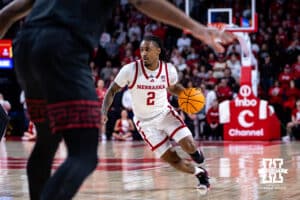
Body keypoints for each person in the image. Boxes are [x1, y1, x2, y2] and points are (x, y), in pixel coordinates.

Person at [0, 0, 235, 199]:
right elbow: (143, 2)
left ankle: (198, 165)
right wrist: (198, 29)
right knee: (83, 155)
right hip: (63, 46)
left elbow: (9, 13)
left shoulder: (166, 70)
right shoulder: (129, 70)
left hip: (24, 47)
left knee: (46, 142)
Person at [102, 35, 210, 190]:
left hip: (165, 114)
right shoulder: (130, 70)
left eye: (148, 49)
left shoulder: (168, 69)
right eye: (142, 50)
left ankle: (195, 152)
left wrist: (186, 94)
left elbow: (172, 87)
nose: (144, 53)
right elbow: (112, 91)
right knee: (172, 160)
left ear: (158, 51)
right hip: (144, 123)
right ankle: (200, 173)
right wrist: (103, 111)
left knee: (189, 144)